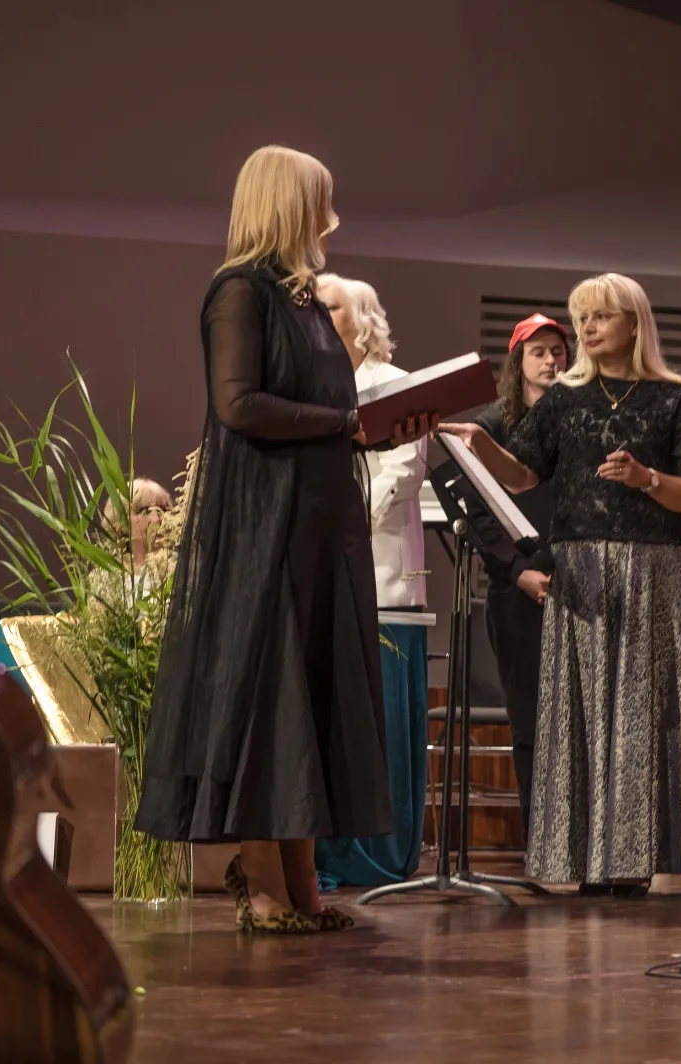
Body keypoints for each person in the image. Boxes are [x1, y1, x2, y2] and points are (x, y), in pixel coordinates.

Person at [135, 145, 433, 933]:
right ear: (288, 205)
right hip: (268, 526)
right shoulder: (239, 292)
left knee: (311, 696)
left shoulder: (304, 300)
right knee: (273, 701)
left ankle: (302, 882)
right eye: (321, 202)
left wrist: (376, 427)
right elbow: (238, 404)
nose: (332, 218)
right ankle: (262, 875)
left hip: (319, 524)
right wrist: (347, 424)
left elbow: (333, 412)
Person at [438, 273, 681, 896]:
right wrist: (483, 444)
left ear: (634, 324)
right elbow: (521, 476)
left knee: (639, 715)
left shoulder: (673, 398)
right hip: (582, 572)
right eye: (582, 318)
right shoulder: (564, 399)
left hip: (649, 570)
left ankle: (634, 861)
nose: (587, 329)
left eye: (600, 317)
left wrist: (648, 479)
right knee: (583, 715)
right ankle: (589, 859)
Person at [311, 273, 429, 890]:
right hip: (326, 577)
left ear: (363, 320)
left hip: (384, 583)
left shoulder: (393, 384)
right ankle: (325, 850)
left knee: (381, 723)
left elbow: (403, 472)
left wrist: (343, 523)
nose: (318, 314)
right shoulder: (314, 389)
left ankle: (378, 853)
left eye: (330, 307)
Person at [471, 312, 566, 850]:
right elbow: (479, 516)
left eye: (558, 351)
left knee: (577, 722)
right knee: (530, 721)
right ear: (518, 361)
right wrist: (517, 571)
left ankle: (575, 841)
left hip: (574, 584)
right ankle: (541, 841)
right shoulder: (491, 427)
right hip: (517, 590)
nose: (551, 360)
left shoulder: (576, 420)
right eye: (539, 352)